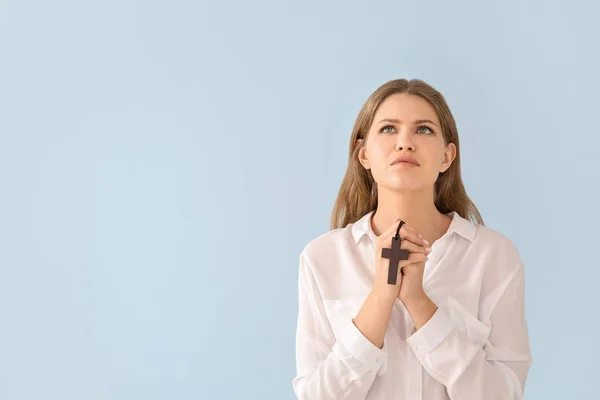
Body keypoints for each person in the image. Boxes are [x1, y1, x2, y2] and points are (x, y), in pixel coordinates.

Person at [292, 78, 532, 399]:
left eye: (423, 130)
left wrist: (419, 303)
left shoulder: (493, 256)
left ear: (447, 157)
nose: (404, 142)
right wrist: (381, 295)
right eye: (389, 129)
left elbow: (505, 395)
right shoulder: (322, 258)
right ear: (364, 155)